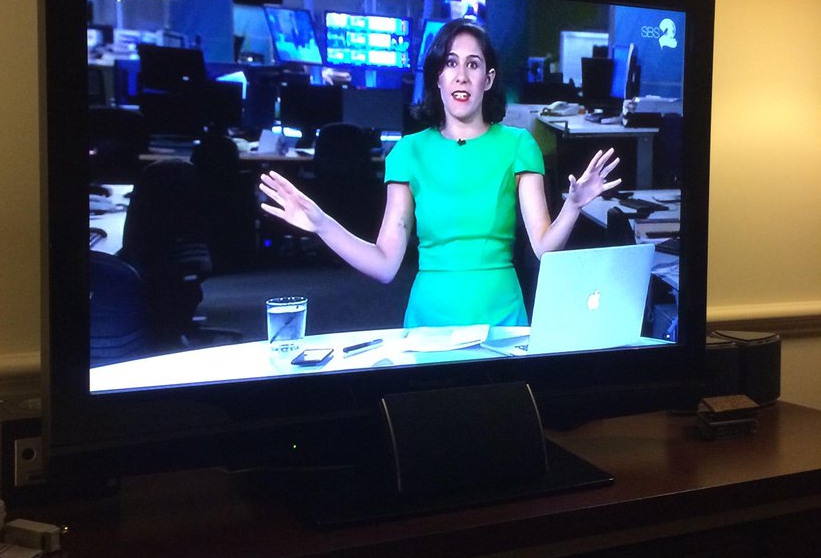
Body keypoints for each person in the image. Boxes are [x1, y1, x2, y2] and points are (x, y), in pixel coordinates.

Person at [259, 20, 621, 328]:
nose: (461, 76)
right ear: (438, 76)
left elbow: (543, 249)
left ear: (488, 79)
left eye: (473, 65)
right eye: (450, 63)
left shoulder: (518, 145)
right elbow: (385, 264)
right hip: (428, 326)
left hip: (502, 321)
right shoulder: (408, 152)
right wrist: (322, 224)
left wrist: (573, 206)